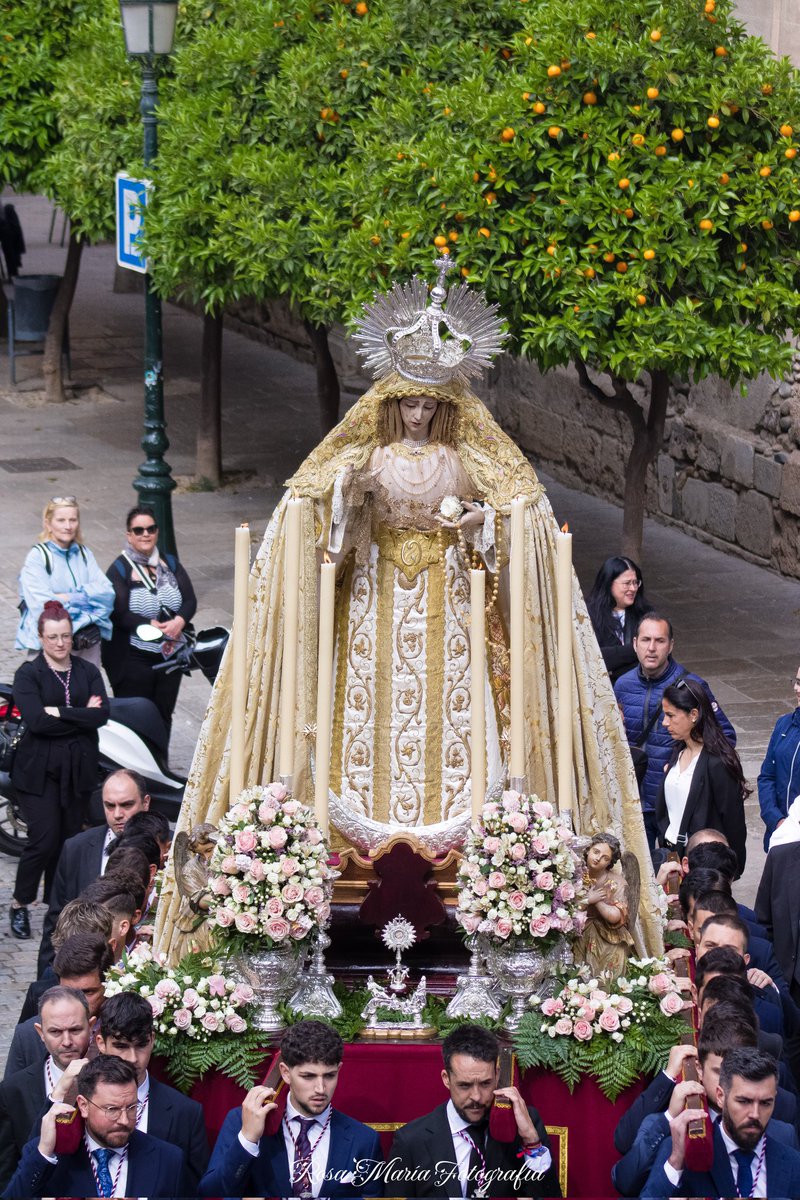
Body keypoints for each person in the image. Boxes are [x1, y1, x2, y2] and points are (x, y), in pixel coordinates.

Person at [156, 261, 661, 961]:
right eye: (410, 404)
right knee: (357, 714)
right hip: (373, 606)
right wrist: (343, 505)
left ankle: (472, 854)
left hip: (451, 610)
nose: (420, 414)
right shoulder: (369, 454)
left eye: (431, 405)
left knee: (461, 717)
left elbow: (518, 515)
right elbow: (319, 515)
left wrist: (483, 525)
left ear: (446, 407)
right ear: (393, 404)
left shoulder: (464, 459)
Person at [613, 1013, 799, 1197]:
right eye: (720, 1071)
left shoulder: (783, 1137)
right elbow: (625, 1182)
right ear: (699, 1069)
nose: (755, 1113)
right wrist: (670, 1123)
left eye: (765, 1102)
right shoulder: (676, 1135)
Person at [9, 601, 109, 941]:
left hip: (77, 772)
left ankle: (58, 908)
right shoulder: (28, 674)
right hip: (38, 773)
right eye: (53, 637)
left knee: (67, 842)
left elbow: (102, 715)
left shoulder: (87, 672)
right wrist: (79, 714)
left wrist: (59, 712)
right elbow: (36, 721)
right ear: (41, 638)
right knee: (44, 839)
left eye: (65, 636)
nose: (60, 643)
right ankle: (21, 902)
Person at [200, 1019, 382, 1197]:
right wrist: (248, 1140)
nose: (320, 1088)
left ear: (339, 1070)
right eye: (308, 1076)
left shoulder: (364, 1140)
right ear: (286, 1073)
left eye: (329, 1076)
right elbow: (211, 1193)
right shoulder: (242, 1122)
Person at [390, 1023, 560, 1197]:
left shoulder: (523, 1126)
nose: (477, 1097)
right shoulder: (411, 1140)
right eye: (465, 1085)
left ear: (497, 1075)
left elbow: (548, 1196)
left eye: (485, 1083)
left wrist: (531, 1141)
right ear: (446, 1079)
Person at [614, 613, 736, 850]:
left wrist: (687, 766)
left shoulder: (692, 686)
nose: (651, 648)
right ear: (634, 644)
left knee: (676, 874)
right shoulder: (622, 685)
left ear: (671, 646)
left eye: (659, 641)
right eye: (645, 640)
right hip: (633, 800)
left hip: (675, 801)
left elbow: (726, 737)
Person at [3, 1055, 186, 1198]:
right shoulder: (52, 1159)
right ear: (83, 1105)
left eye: (131, 1107)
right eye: (111, 1109)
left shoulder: (168, 1160)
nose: (124, 1120)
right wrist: (44, 1152)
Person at [641, 1048, 800, 1197]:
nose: (755, 1114)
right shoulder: (684, 1152)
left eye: (766, 1103)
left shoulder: (793, 1163)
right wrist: (676, 1161)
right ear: (720, 1096)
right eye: (744, 1101)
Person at [37, 769, 151, 975]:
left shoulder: (165, 847)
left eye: (127, 805)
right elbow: (55, 921)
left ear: (145, 803)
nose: (118, 814)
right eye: (110, 806)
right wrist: (45, 982)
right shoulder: (76, 848)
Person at [93, 992, 209, 1191]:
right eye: (121, 1046)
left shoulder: (186, 1114)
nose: (132, 1058)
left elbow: (196, 1190)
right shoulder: (79, 1103)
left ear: (152, 1040)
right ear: (101, 1043)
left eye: (141, 1045)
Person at [103, 505, 197, 741]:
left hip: (170, 656)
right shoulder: (119, 569)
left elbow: (190, 599)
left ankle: (161, 767)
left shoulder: (170, 563)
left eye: (151, 529)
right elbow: (119, 613)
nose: (145, 534)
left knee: (163, 715)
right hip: (135, 658)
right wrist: (148, 624)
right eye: (138, 530)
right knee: (135, 718)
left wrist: (179, 621)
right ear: (129, 535)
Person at [0, 987, 91, 1190]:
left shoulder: (112, 1082)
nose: (67, 1041)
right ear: (40, 1033)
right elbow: (6, 1174)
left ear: (91, 1026)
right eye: (55, 1032)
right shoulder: (13, 1091)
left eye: (75, 1030)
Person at [656, 679, 748, 873]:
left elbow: (733, 822)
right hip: (672, 856)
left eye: (671, 716)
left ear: (694, 715)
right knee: (673, 903)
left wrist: (732, 870)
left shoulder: (717, 762)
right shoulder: (677, 751)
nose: (665, 723)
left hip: (702, 865)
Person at [16, 497, 114, 669]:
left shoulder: (85, 554)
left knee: (87, 694)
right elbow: (43, 606)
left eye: (73, 520)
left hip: (86, 646)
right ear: (48, 524)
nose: (68, 526)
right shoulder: (37, 557)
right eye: (61, 520)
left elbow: (107, 595)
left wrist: (67, 598)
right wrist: (86, 604)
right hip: (51, 646)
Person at [5, 933, 113, 1079]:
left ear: (108, 986)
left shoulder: (123, 1030)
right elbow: (12, 1096)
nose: (79, 1001)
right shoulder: (27, 1036)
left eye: (88, 992)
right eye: (70, 992)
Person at [573, 833, 634, 980]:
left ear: (610, 863)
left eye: (605, 858)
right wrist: (588, 899)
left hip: (608, 934)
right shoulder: (574, 876)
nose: (598, 858)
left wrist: (597, 901)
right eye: (596, 852)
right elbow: (568, 911)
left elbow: (615, 916)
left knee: (613, 953)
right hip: (578, 930)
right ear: (588, 850)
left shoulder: (617, 882)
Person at [586, 555, 649, 683]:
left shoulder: (646, 614)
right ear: (609, 583)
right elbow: (593, 658)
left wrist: (614, 659)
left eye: (636, 582)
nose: (633, 588)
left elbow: (659, 655)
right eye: (627, 583)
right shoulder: (587, 614)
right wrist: (635, 650)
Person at [758, 668, 800, 849]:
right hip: (779, 836)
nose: (797, 689)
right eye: (797, 682)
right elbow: (767, 777)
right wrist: (776, 820)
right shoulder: (784, 724)